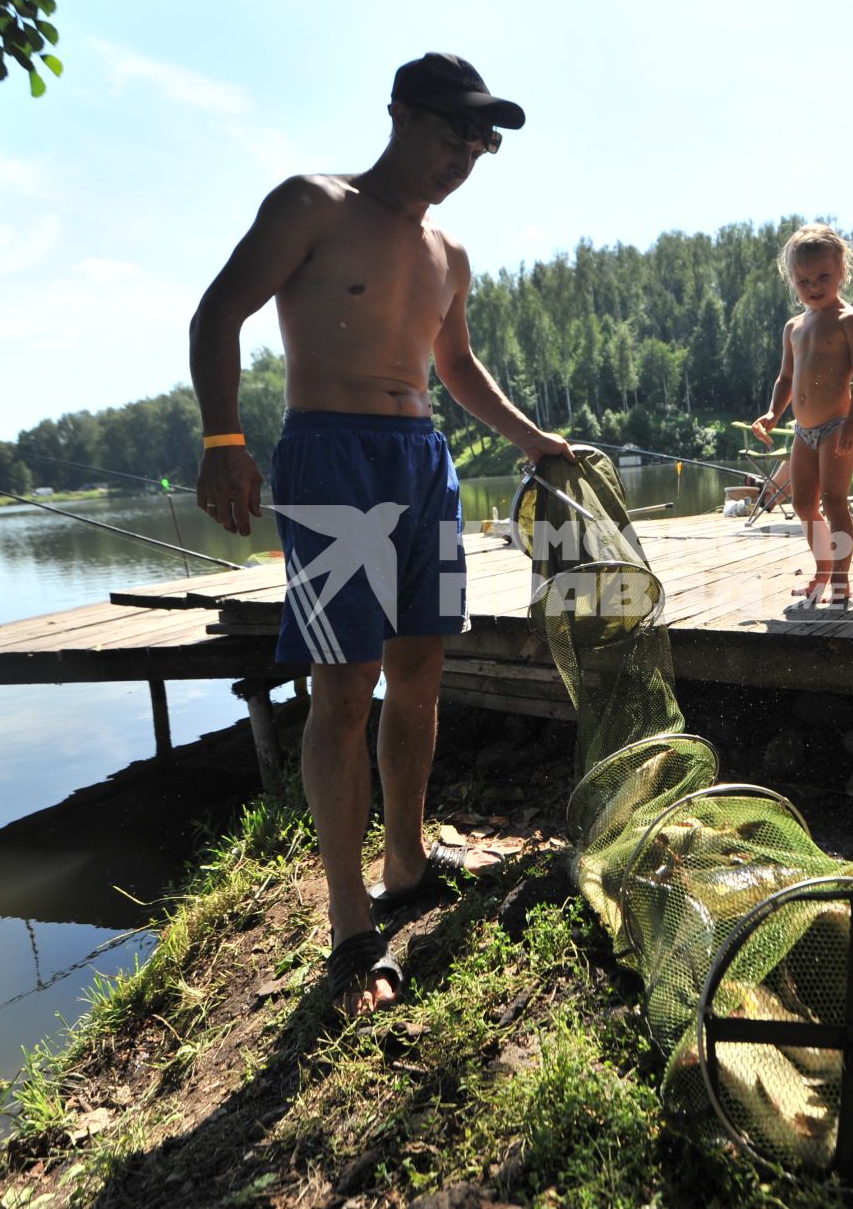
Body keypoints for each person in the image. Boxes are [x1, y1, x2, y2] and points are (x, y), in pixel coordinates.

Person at [189, 53, 570, 1019]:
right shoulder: (312, 204)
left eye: (479, 145)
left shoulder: (450, 254)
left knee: (423, 673)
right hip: (331, 459)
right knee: (343, 686)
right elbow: (219, 311)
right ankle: (350, 917)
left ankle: (405, 862)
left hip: (421, 461)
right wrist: (225, 439)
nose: (464, 159)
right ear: (400, 115)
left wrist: (532, 441)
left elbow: (456, 367)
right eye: (451, 136)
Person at [751, 224, 853, 607]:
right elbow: (786, 377)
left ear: (842, 271)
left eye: (823, 276)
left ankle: (841, 580)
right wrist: (773, 412)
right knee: (804, 504)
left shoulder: (849, 320)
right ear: (792, 280)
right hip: (802, 430)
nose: (814, 286)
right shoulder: (794, 326)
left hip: (838, 427)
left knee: (835, 502)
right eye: (803, 280)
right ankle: (822, 572)